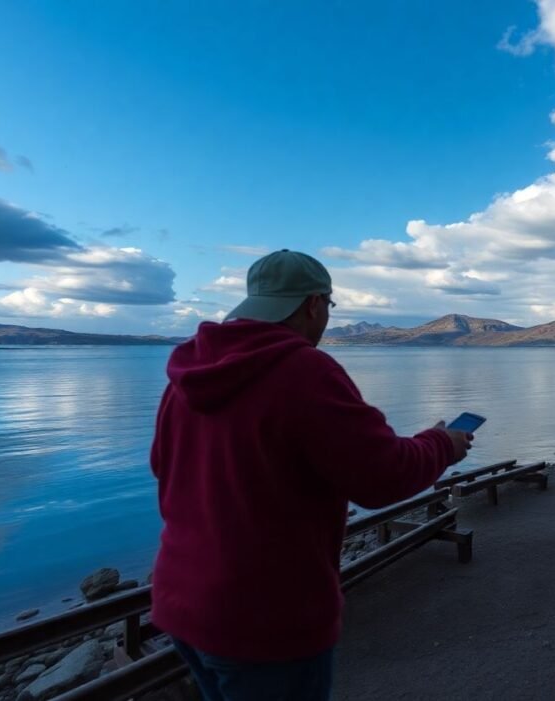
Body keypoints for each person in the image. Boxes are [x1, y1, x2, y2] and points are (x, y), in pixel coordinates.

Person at [149, 250, 474, 701]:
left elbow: (163, 469)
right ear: (314, 305)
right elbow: (382, 477)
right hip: (265, 620)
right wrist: (443, 444)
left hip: (181, 603)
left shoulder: (186, 375)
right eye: (328, 307)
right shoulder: (304, 372)